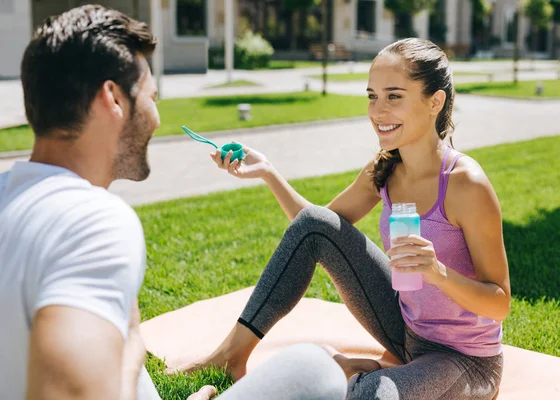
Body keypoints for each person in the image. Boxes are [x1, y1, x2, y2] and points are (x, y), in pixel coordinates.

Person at [0, 5, 347, 400]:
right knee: (315, 369)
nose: (156, 117)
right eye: (152, 97)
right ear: (113, 99)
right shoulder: (92, 221)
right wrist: (129, 342)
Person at [176, 38, 511, 400]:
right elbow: (316, 231)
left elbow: (500, 302)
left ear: (435, 101)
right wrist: (269, 172)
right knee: (314, 224)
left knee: (369, 396)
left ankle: (361, 373)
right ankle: (231, 356)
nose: (378, 112)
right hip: (406, 332)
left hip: (465, 360)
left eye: (393, 96)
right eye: (372, 96)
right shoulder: (384, 169)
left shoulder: (466, 184)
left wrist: (437, 272)